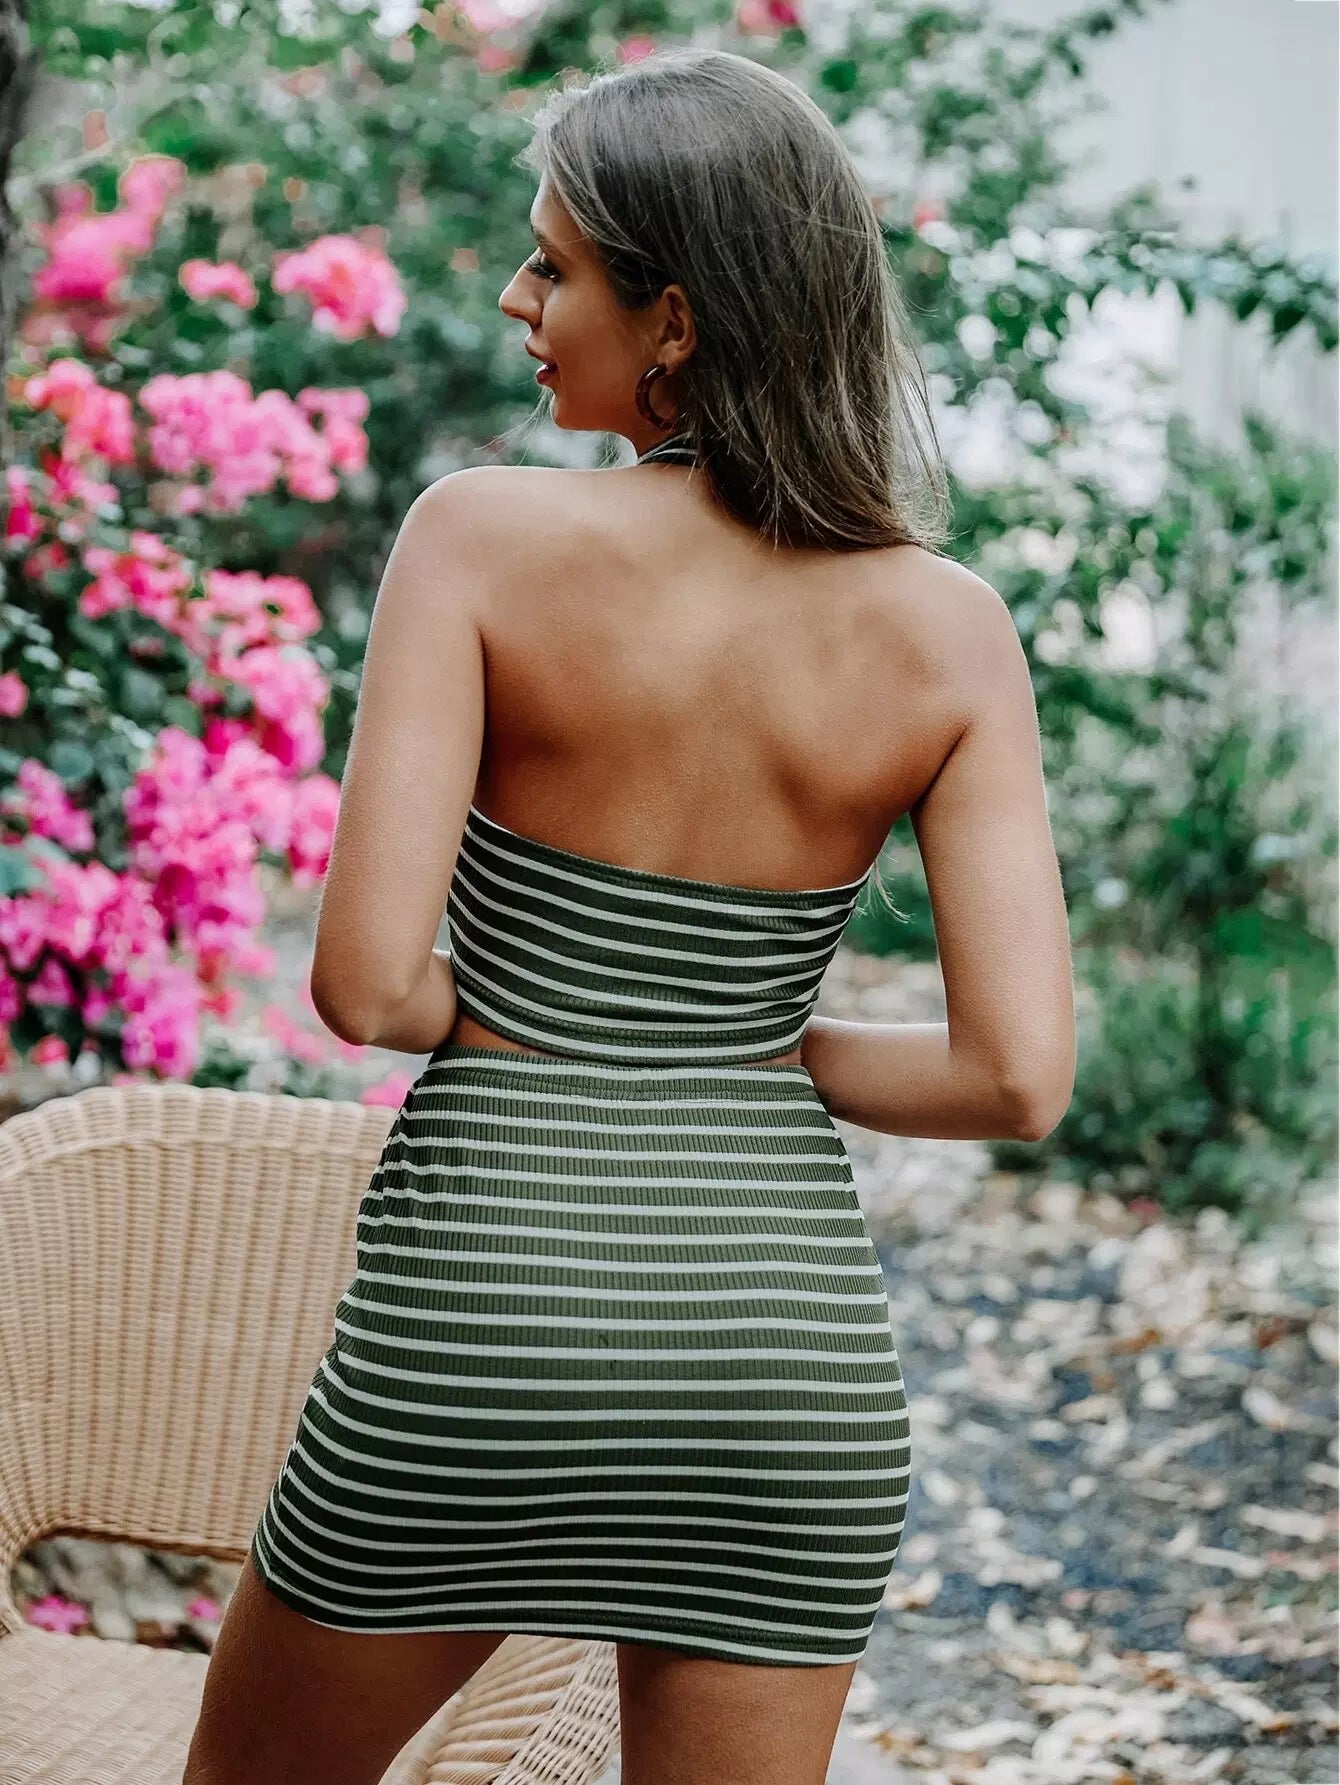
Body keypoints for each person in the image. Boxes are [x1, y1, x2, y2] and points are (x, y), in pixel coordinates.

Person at [182, 45, 1075, 1785]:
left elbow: (364, 982)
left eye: (554, 266)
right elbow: (1014, 1078)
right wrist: (742, 1037)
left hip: (483, 1328)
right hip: (781, 1375)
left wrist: (549, 1016)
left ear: (672, 319)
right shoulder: (951, 628)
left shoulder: (478, 540)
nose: (518, 301)